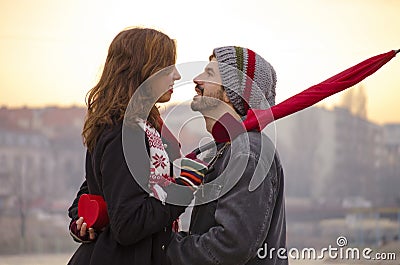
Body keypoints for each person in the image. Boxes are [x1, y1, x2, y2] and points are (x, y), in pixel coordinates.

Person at [67, 27, 195, 265]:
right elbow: (128, 225)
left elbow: (94, 190)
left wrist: (82, 219)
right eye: (167, 67)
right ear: (143, 71)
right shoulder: (125, 132)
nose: (177, 75)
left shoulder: (144, 125)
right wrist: (183, 189)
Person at [166, 46, 287, 265]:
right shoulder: (224, 148)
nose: (196, 80)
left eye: (209, 74)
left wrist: (162, 249)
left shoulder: (249, 151)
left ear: (233, 94)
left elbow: (230, 247)